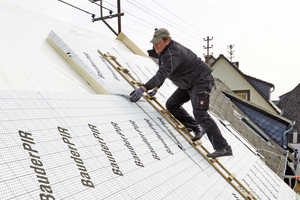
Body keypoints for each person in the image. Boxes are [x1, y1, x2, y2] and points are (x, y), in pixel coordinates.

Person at [129, 28, 232, 158]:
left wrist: (143, 88)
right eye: (154, 43)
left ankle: (223, 147)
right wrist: (155, 88)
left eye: (158, 43)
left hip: (201, 81)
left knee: (200, 113)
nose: (155, 46)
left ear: (167, 41)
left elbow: (161, 74)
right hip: (188, 83)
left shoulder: (173, 53)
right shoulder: (164, 52)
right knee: (172, 104)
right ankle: (196, 127)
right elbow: (164, 72)